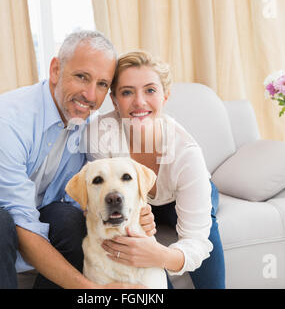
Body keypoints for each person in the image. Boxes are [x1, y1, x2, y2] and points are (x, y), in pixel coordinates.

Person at [0, 31, 152, 289]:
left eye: (102, 84)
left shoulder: (88, 127)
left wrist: (139, 214)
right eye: (82, 77)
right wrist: (93, 292)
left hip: (31, 213)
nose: (90, 95)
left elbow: (95, 195)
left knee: (69, 219)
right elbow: (20, 222)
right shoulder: (5, 123)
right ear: (56, 70)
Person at [85, 50, 226, 288]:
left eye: (150, 90)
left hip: (174, 196)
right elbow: (99, 197)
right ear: (114, 100)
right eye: (127, 92)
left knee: (205, 228)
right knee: (133, 240)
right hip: (135, 201)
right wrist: (139, 217)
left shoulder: (186, 153)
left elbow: (196, 241)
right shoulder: (100, 133)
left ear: (165, 96)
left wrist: (160, 255)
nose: (139, 102)